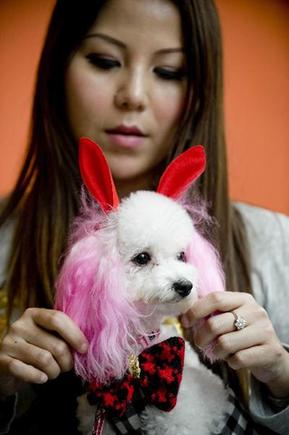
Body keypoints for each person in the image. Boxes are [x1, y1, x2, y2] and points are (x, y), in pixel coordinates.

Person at [0, 0, 288, 433]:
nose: (133, 94)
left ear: (200, 89)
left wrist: (281, 374)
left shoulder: (276, 243)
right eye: (104, 61)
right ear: (58, 68)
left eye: (168, 72)